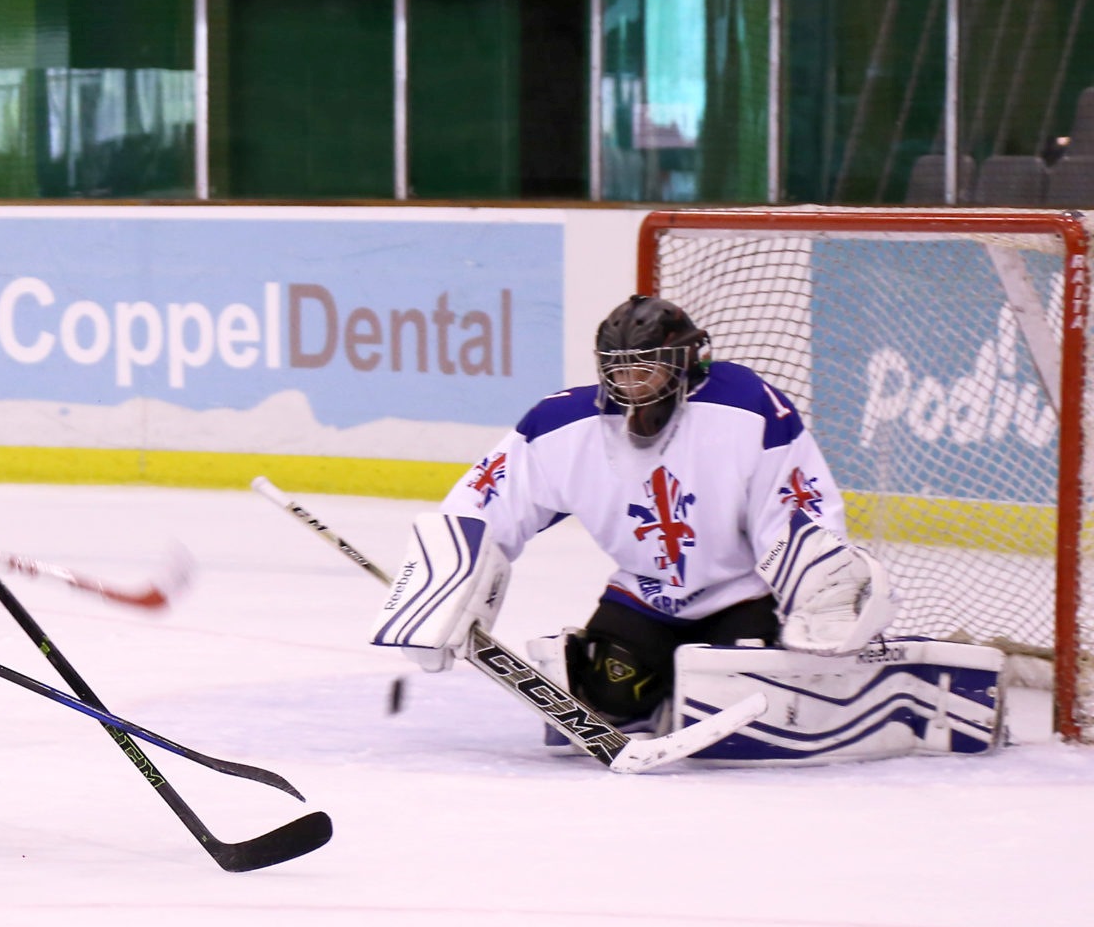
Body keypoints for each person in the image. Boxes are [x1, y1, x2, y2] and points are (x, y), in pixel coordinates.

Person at [373, 294, 893, 734]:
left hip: (740, 596)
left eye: (648, 367)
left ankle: (708, 686)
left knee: (746, 712)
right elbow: (484, 504)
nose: (634, 382)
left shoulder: (746, 407)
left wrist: (818, 593)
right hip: (642, 600)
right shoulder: (562, 425)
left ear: (688, 360)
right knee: (608, 700)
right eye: (621, 369)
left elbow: (797, 510)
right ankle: (662, 694)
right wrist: (439, 597)